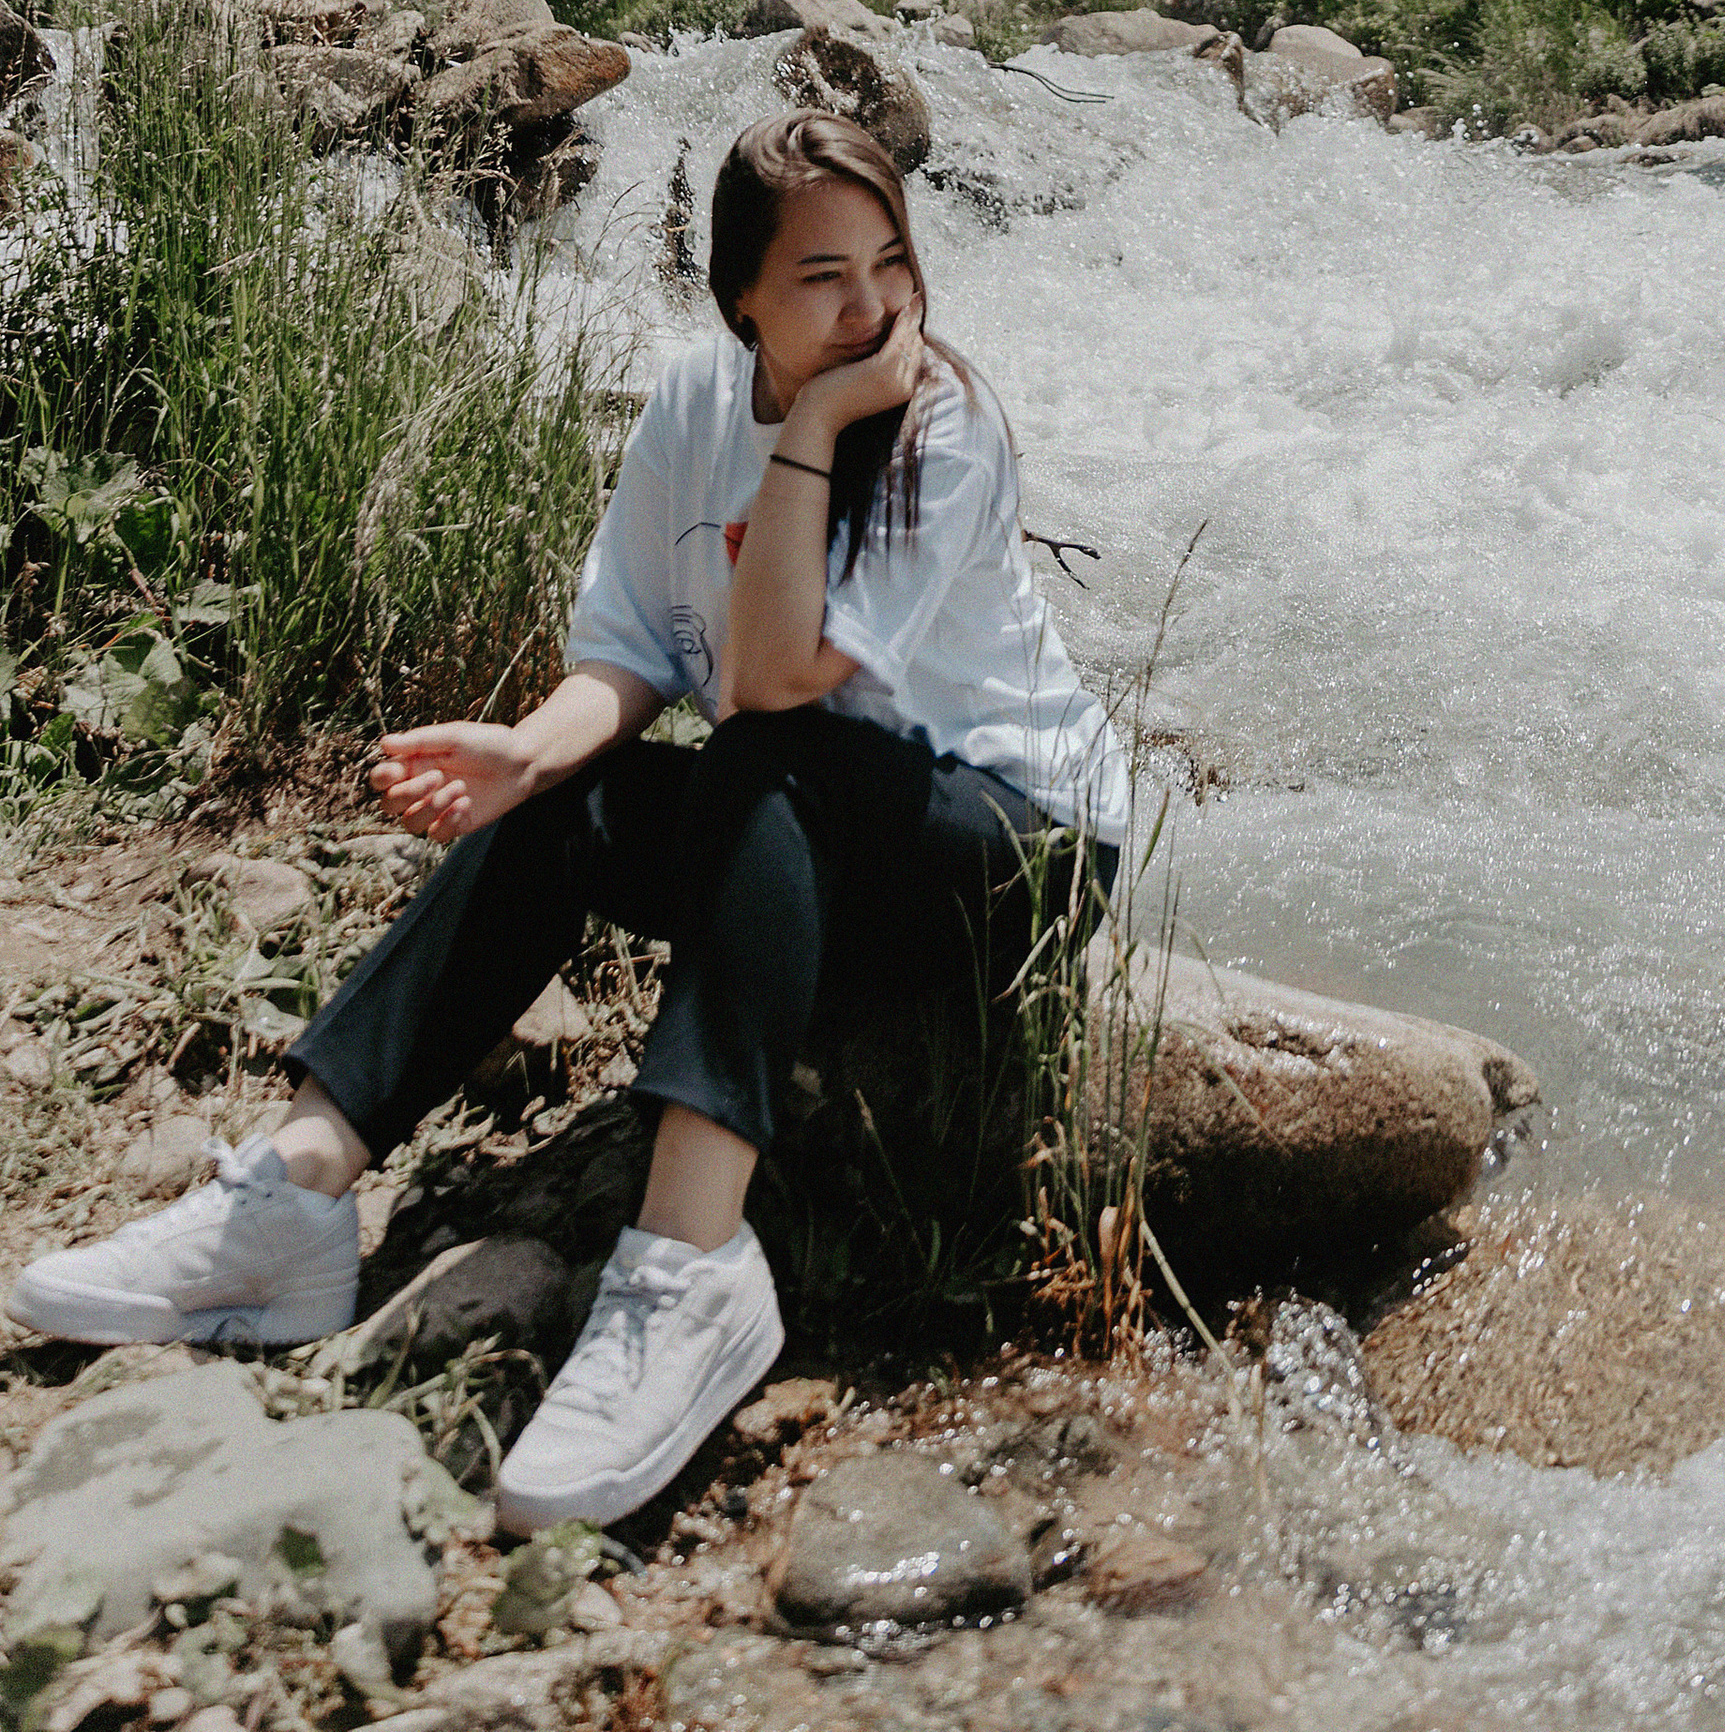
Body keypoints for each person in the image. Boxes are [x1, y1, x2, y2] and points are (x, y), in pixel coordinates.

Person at [6, 114, 1130, 1529]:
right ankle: (295, 1194)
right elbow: (630, 660)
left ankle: (685, 1269)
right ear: (740, 301)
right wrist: (525, 756)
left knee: (763, 752)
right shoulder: (692, 409)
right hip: (800, 843)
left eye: (892, 263)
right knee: (575, 796)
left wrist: (826, 421)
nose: (873, 307)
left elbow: (775, 677)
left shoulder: (938, 426)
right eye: (824, 278)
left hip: (1006, 844)